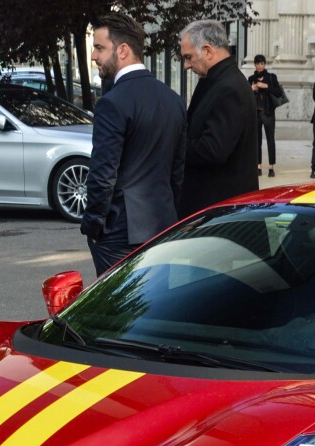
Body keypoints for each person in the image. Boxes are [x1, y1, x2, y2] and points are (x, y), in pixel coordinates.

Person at [80, 12, 186, 276]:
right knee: (159, 308)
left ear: (123, 50)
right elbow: (177, 172)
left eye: (99, 48)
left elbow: (103, 174)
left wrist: (93, 226)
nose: (94, 56)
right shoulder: (173, 100)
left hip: (120, 233)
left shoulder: (112, 102)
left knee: (119, 313)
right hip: (163, 224)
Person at [177, 20, 258, 217]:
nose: (186, 66)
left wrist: (174, 145)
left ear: (207, 51)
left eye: (188, 57)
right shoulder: (216, 80)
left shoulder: (229, 87)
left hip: (222, 213)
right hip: (216, 209)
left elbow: (214, 149)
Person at [247, 54, 284, 178]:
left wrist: (266, 86)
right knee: (256, 141)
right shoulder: (251, 78)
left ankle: (271, 167)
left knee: (270, 140)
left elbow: (278, 92)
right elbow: (245, 96)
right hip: (256, 113)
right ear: (255, 65)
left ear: (265, 64)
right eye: (257, 64)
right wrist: (250, 89)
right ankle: (258, 166)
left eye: (261, 63)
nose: (259, 66)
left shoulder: (271, 77)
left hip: (268, 113)